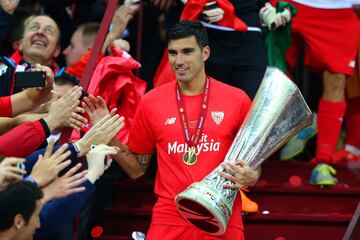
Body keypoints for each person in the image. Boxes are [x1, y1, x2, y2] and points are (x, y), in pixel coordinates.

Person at [85, 20, 261, 239]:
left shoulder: (237, 100)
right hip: (170, 218)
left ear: (205, 52)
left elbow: (254, 166)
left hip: (221, 216)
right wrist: (108, 134)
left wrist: (251, 176)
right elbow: (137, 170)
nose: (179, 61)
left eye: (187, 52)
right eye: (173, 53)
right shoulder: (151, 101)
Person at [271, 0, 360, 186]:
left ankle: (323, 162)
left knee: (336, 80)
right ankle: (294, 123)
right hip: (290, 4)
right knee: (274, 75)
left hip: (340, 10)